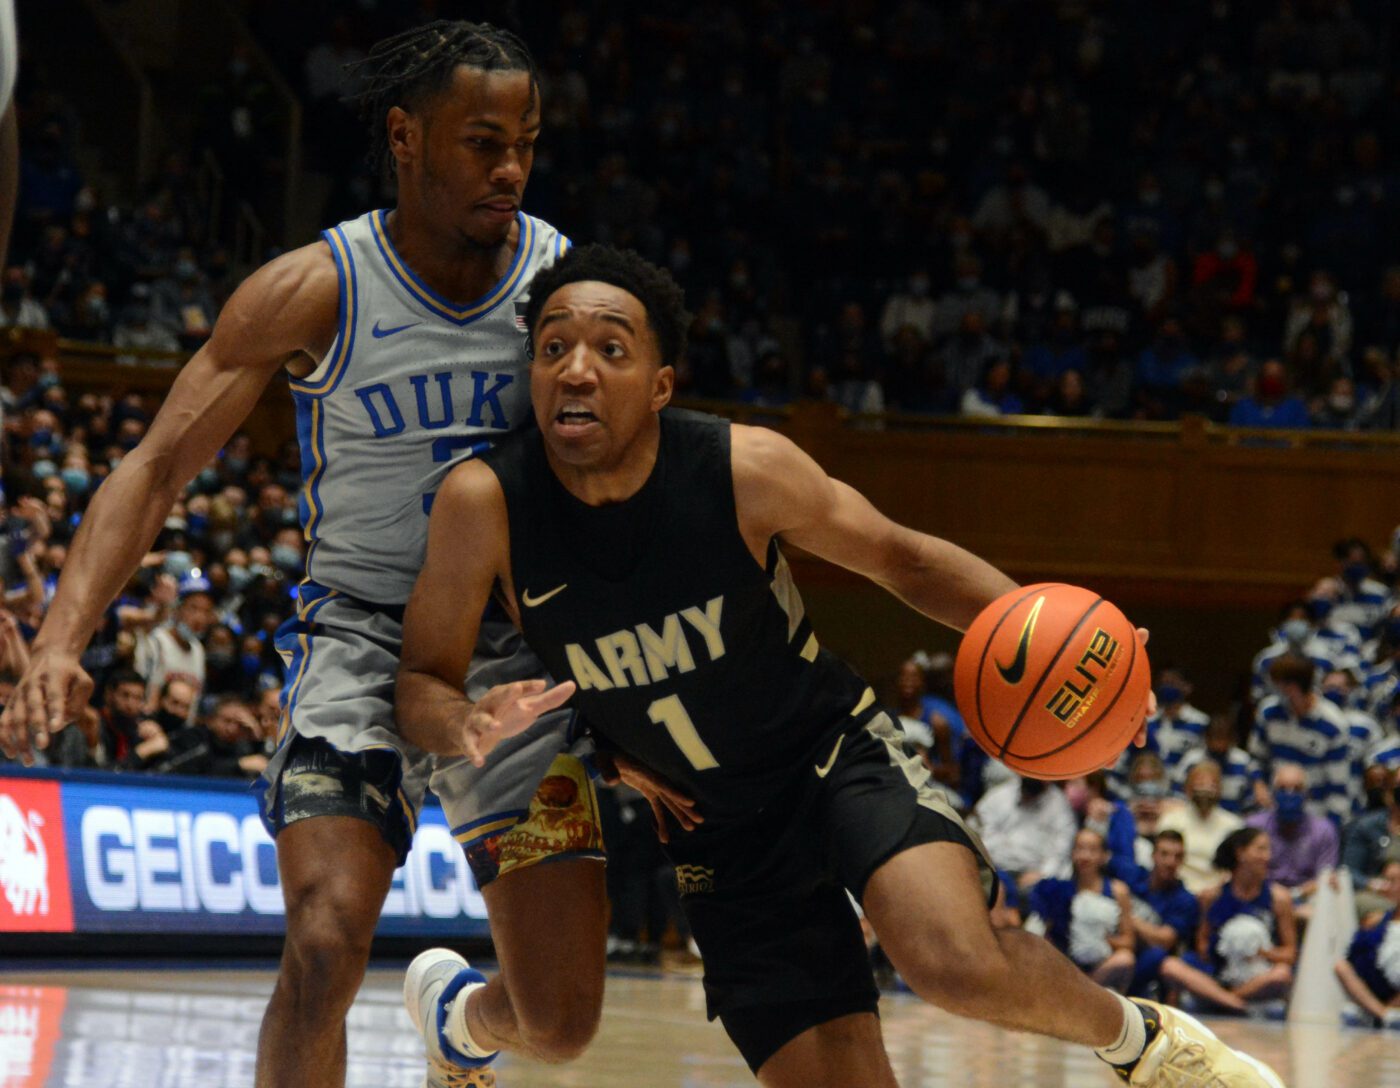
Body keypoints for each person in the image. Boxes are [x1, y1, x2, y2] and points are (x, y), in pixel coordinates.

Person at [395, 246, 1283, 1087]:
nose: (576, 369)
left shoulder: (746, 468)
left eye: (609, 349)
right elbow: (423, 682)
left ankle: (1143, 1044)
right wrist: (463, 721)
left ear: (659, 384)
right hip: (717, 832)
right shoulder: (488, 503)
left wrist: (1062, 652)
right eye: (553, 348)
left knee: (952, 963)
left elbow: (907, 561)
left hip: (831, 756)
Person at [0, 21, 611, 1088]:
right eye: (481, 141)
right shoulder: (317, 288)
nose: (510, 166)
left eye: (526, 141)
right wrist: (63, 636)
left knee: (558, 1020)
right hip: (363, 642)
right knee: (324, 943)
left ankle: (459, 1024)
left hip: (517, 654)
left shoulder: (567, 292)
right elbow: (154, 466)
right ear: (404, 137)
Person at [1127, 830, 1246, 1012]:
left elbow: (1165, 940)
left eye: (1177, 856)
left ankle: (1237, 1005)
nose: (1170, 862)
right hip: (1118, 953)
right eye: (1164, 854)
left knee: (1161, 958)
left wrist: (1127, 918)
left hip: (1149, 964)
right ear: (1153, 855)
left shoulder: (1185, 899)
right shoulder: (1132, 881)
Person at [1190, 828, 1297, 1009]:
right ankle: (1228, 999)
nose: (1267, 857)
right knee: (1173, 967)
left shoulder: (1279, 898)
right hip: (1222, 972)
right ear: (1240, 853)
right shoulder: (1212, 896)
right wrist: (1224, 949)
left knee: (1282, 974)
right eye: (1261, 849)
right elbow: (1202, 942)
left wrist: (1259, 952)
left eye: (1268, 850)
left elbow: (1290, 953)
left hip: (1259, 976)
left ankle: (1227, 1000)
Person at [1024, 829, 1137, 992]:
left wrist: (1099, 938)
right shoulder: (1059, 890)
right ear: (1072, 853)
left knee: (1125, 959)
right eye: (1079, 849)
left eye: (1092, 850)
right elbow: (1046, 933)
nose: (1085, 856)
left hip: (1101, 967)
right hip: (1068, 964)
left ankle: (1083, 990)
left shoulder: (1117, 891)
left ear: (1104, 856)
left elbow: (1128, 941)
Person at [1245, 763, 1339, 918]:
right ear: (1273, 793)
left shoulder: (1323, 830)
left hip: (1306, 898)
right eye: (1282, 789)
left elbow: (1324, 878)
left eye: (1297, 789)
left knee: (1319, 912)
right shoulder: (1254, 827)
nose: (1289, 795)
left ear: (1307, 794)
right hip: (1262, 896)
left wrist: (1296, 895)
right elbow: (1248, 874)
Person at [1157, 759, 1244, 894]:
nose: (1205, 789)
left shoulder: (1234, 825)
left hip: (1218, 892)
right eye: (1200, 784)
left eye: (1211, 785)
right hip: (1176, 889)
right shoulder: (1171, 819)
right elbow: (1162, 861)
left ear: (1220, 789)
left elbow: (1236, 869)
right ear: (1188, 788)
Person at [1335, 859, 1400, 1027]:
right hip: (1377, 996)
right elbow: (1353, 962)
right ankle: (1383, 1015)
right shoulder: (1375, 921)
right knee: (1341, 967)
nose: (1387, 886)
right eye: (1386, 880)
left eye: (1394, 881)